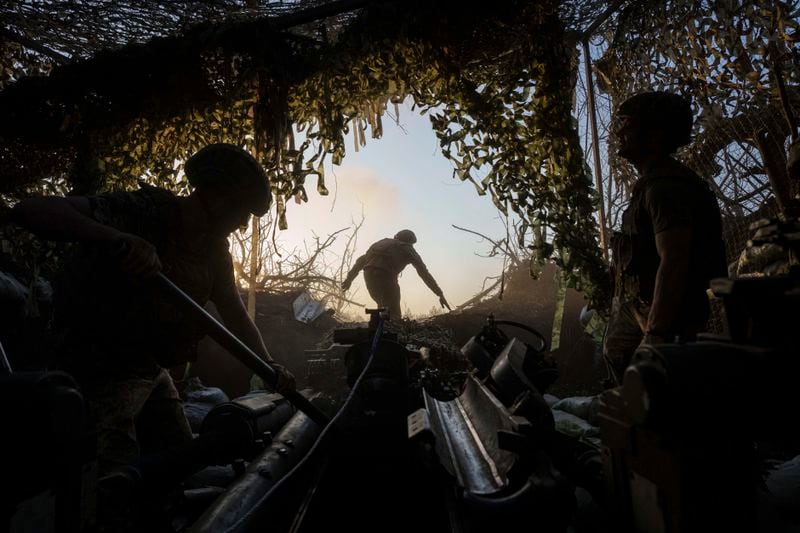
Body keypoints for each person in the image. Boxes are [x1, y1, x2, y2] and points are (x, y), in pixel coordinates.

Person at [6, 143, 295, 474]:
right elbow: (30, 210)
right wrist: (117, 239)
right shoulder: (144, 212)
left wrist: (268, 364)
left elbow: (235, 314)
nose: (242, 223)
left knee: (180, 463)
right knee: (114, 480)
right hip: (95, 366)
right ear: (215, 197)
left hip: (148, 368)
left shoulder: (214, 253)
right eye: (240, 211)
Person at [604, 91, 726, 384]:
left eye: (628, 126)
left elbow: (675, 258)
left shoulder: (666, 188)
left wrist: (656, 333)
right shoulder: (651, 184)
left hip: (667, 317)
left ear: (654, 136)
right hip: (641, 308)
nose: (620, 133)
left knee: (660, 392)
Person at [342, 230, 450, 320]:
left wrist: (349, 280)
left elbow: (360, 262)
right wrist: (439, 293)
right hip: (386, 276)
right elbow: (423, 272)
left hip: (369, 276)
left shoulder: (380, 243)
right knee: (393, 314)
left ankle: (379, 335)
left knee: (383, 307)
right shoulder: (407, 247)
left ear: (396, 236)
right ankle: (391, 337)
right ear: (411, 242)